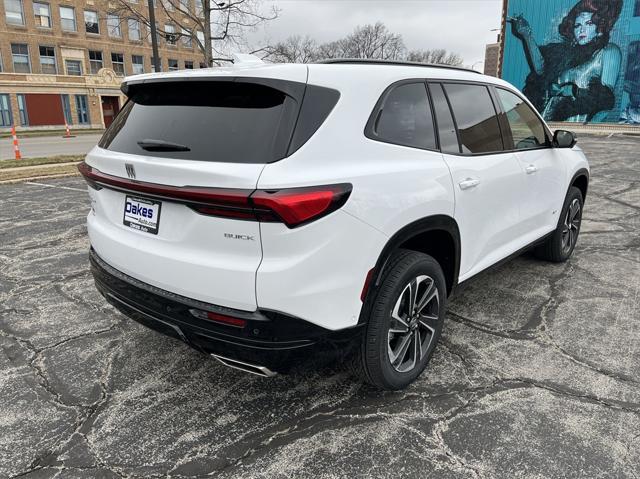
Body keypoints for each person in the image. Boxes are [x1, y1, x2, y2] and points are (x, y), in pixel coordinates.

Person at [510, 0, 622, 123]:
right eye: (577, 25)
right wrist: (527, 35)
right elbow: (541, 68)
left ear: (599, 27)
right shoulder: (566, 55)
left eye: (589, 23)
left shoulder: (608, 51)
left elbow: (606, 101)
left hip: (574, 129)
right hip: (547, 124)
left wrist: (574, 91)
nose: (581, 30)